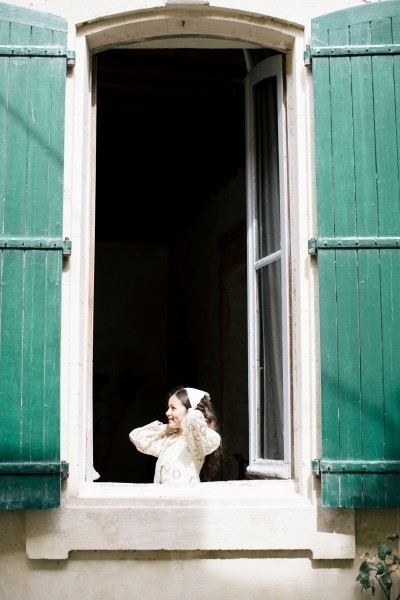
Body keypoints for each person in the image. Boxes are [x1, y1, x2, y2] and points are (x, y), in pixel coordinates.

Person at [129, 387, 222, 485]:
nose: (167, 413)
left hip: (185, 494)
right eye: (168, 408)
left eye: (173, 408)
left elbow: (194, 418)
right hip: (164, 494)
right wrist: (167, 428)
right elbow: (136, 436)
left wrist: (191, 411)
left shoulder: (195, 441)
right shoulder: (169, 439)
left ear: (190, 410)